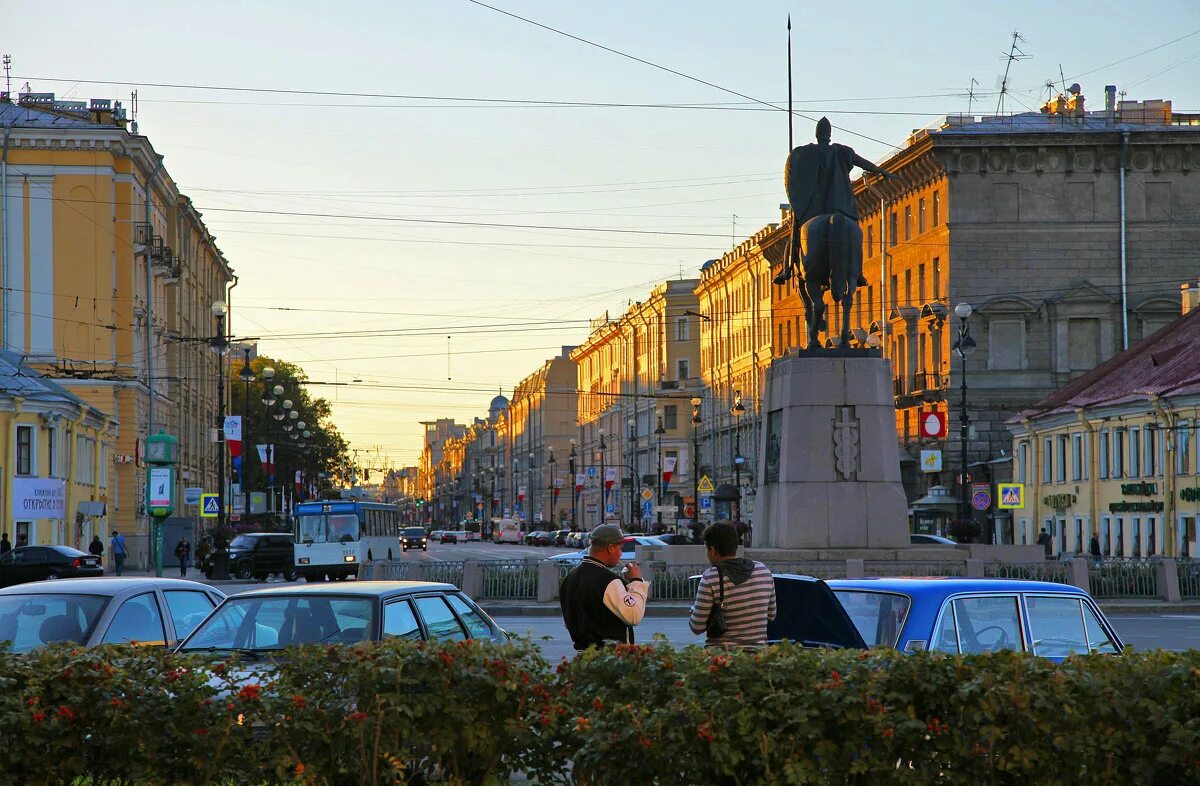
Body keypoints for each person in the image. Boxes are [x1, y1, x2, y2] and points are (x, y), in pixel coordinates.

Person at [559, 525, 650, 650]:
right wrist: (636, 581)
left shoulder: (570, 579)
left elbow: (568, 622)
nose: (620, 554)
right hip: (609, 659)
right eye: (620, 548)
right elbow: (633, 616)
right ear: (611, 548)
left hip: (583, 657)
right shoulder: (608, 581)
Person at [689, 522, 777, 649]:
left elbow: (697, 627)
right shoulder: (763, 570)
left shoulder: (711, 577)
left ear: (712, 550)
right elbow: (771, 615)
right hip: (758, 657)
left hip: (722, 659)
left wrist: (695, 613)